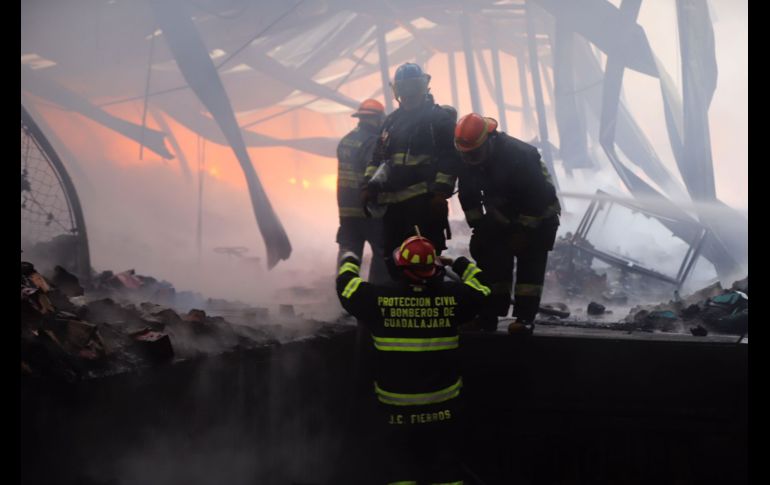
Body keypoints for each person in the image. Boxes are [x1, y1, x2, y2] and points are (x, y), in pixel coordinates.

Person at [336, 230, 490, 483]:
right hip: (444, 409)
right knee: (446, 470)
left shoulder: (377, 299)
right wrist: (459, 263)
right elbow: (483, 288)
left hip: (395, 410)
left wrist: (350, 258)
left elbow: (346, 286)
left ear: (398, 266)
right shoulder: (454, 299)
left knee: (400, 470)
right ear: (435, 268)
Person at [454, 113, 561, 334]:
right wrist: (479, 227)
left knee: (529, 267)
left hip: (539, 217)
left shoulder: (519, 155)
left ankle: (524, 320)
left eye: (476, 153)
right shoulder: (467, 155)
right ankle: (488, 316)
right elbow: (468, 196)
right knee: (490, 261)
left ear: (489, 140)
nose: (472, 159)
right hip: (502, 215)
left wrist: (523, 231)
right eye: (468, 154)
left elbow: (539, 197)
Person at [362, 63, 460, 281]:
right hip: (393, 208)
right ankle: (402, 305)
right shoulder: (391, 122)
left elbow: (450, 158)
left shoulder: (438, 119)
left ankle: (430, 305)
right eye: (404, 89)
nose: (409, 94)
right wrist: (368, 185)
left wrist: (440, 193)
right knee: (392, 256)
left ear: (424, 87)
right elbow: (377, 158)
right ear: (397, 91)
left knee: (425, 256)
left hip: (423, 204)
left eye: (414, 87)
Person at [336, 98, 388, 283]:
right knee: (382, 251)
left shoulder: (346, 140)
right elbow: (373, 174)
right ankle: (377, 294)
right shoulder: (372, 142)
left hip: (346, 211)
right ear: (376, 119)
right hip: (368, 210)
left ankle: (344, 293)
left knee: (349, 252)